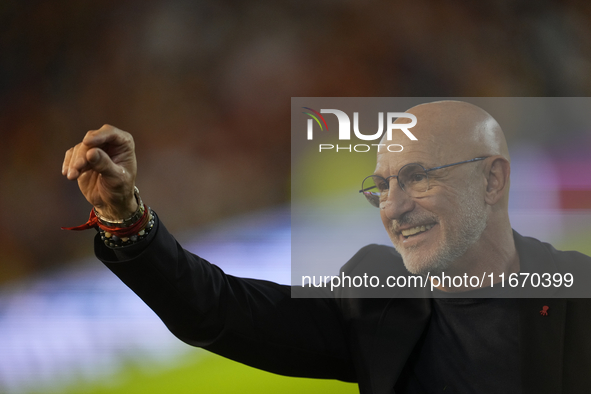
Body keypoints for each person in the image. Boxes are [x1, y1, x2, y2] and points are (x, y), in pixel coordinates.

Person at [62, 101, 591, 393]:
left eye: (419, 177)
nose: (393, 207)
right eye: (381, 186)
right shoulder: (380, 303)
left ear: (493, 181)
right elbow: (217, 309)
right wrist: (124, 216)